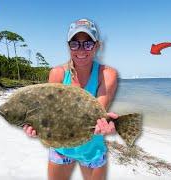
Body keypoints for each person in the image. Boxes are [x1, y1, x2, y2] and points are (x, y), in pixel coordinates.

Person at [23, 18, 118, 180]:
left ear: (96, 46)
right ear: (68, 46)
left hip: (92, 149)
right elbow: (50, 112)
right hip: (61, 149)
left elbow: (96, 114)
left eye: (87, 44)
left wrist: (107, 124)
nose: (81, 50)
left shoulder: (107, 74)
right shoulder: (57, 73)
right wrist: (36, 126)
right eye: (75, 43)